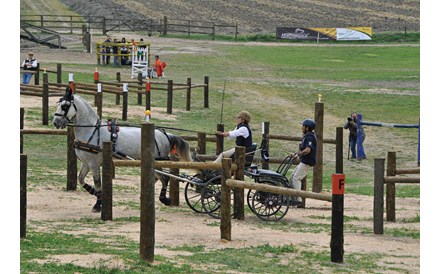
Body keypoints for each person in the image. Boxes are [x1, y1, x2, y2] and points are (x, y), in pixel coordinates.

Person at [289, 118, 317, 206]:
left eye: (303, 126)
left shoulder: (310, 137)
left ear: (307, 128)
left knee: (296, 178)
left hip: (307, 162)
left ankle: (298, 198)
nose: (302, 127)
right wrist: (296, 154)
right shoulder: (306, 136)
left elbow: (308, 150)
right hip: (304, 161)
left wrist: (299, 154)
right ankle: (292, 197)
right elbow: (302, 150)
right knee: (292, 177)